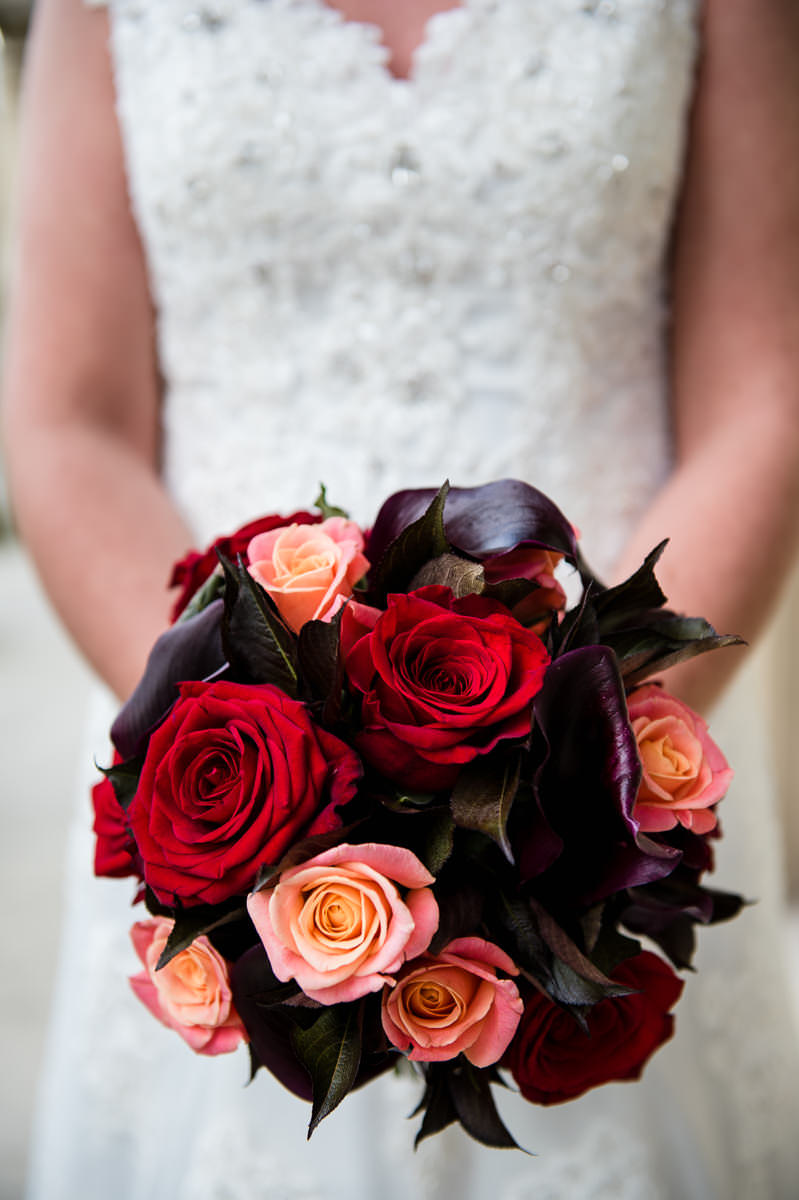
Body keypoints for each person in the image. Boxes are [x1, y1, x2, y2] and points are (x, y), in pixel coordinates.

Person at [3, 0, 799, 1196]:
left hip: (613, 734)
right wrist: (235, 778)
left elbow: (762, 395)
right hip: (204, 716)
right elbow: (71, 423)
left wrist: (581, 783)